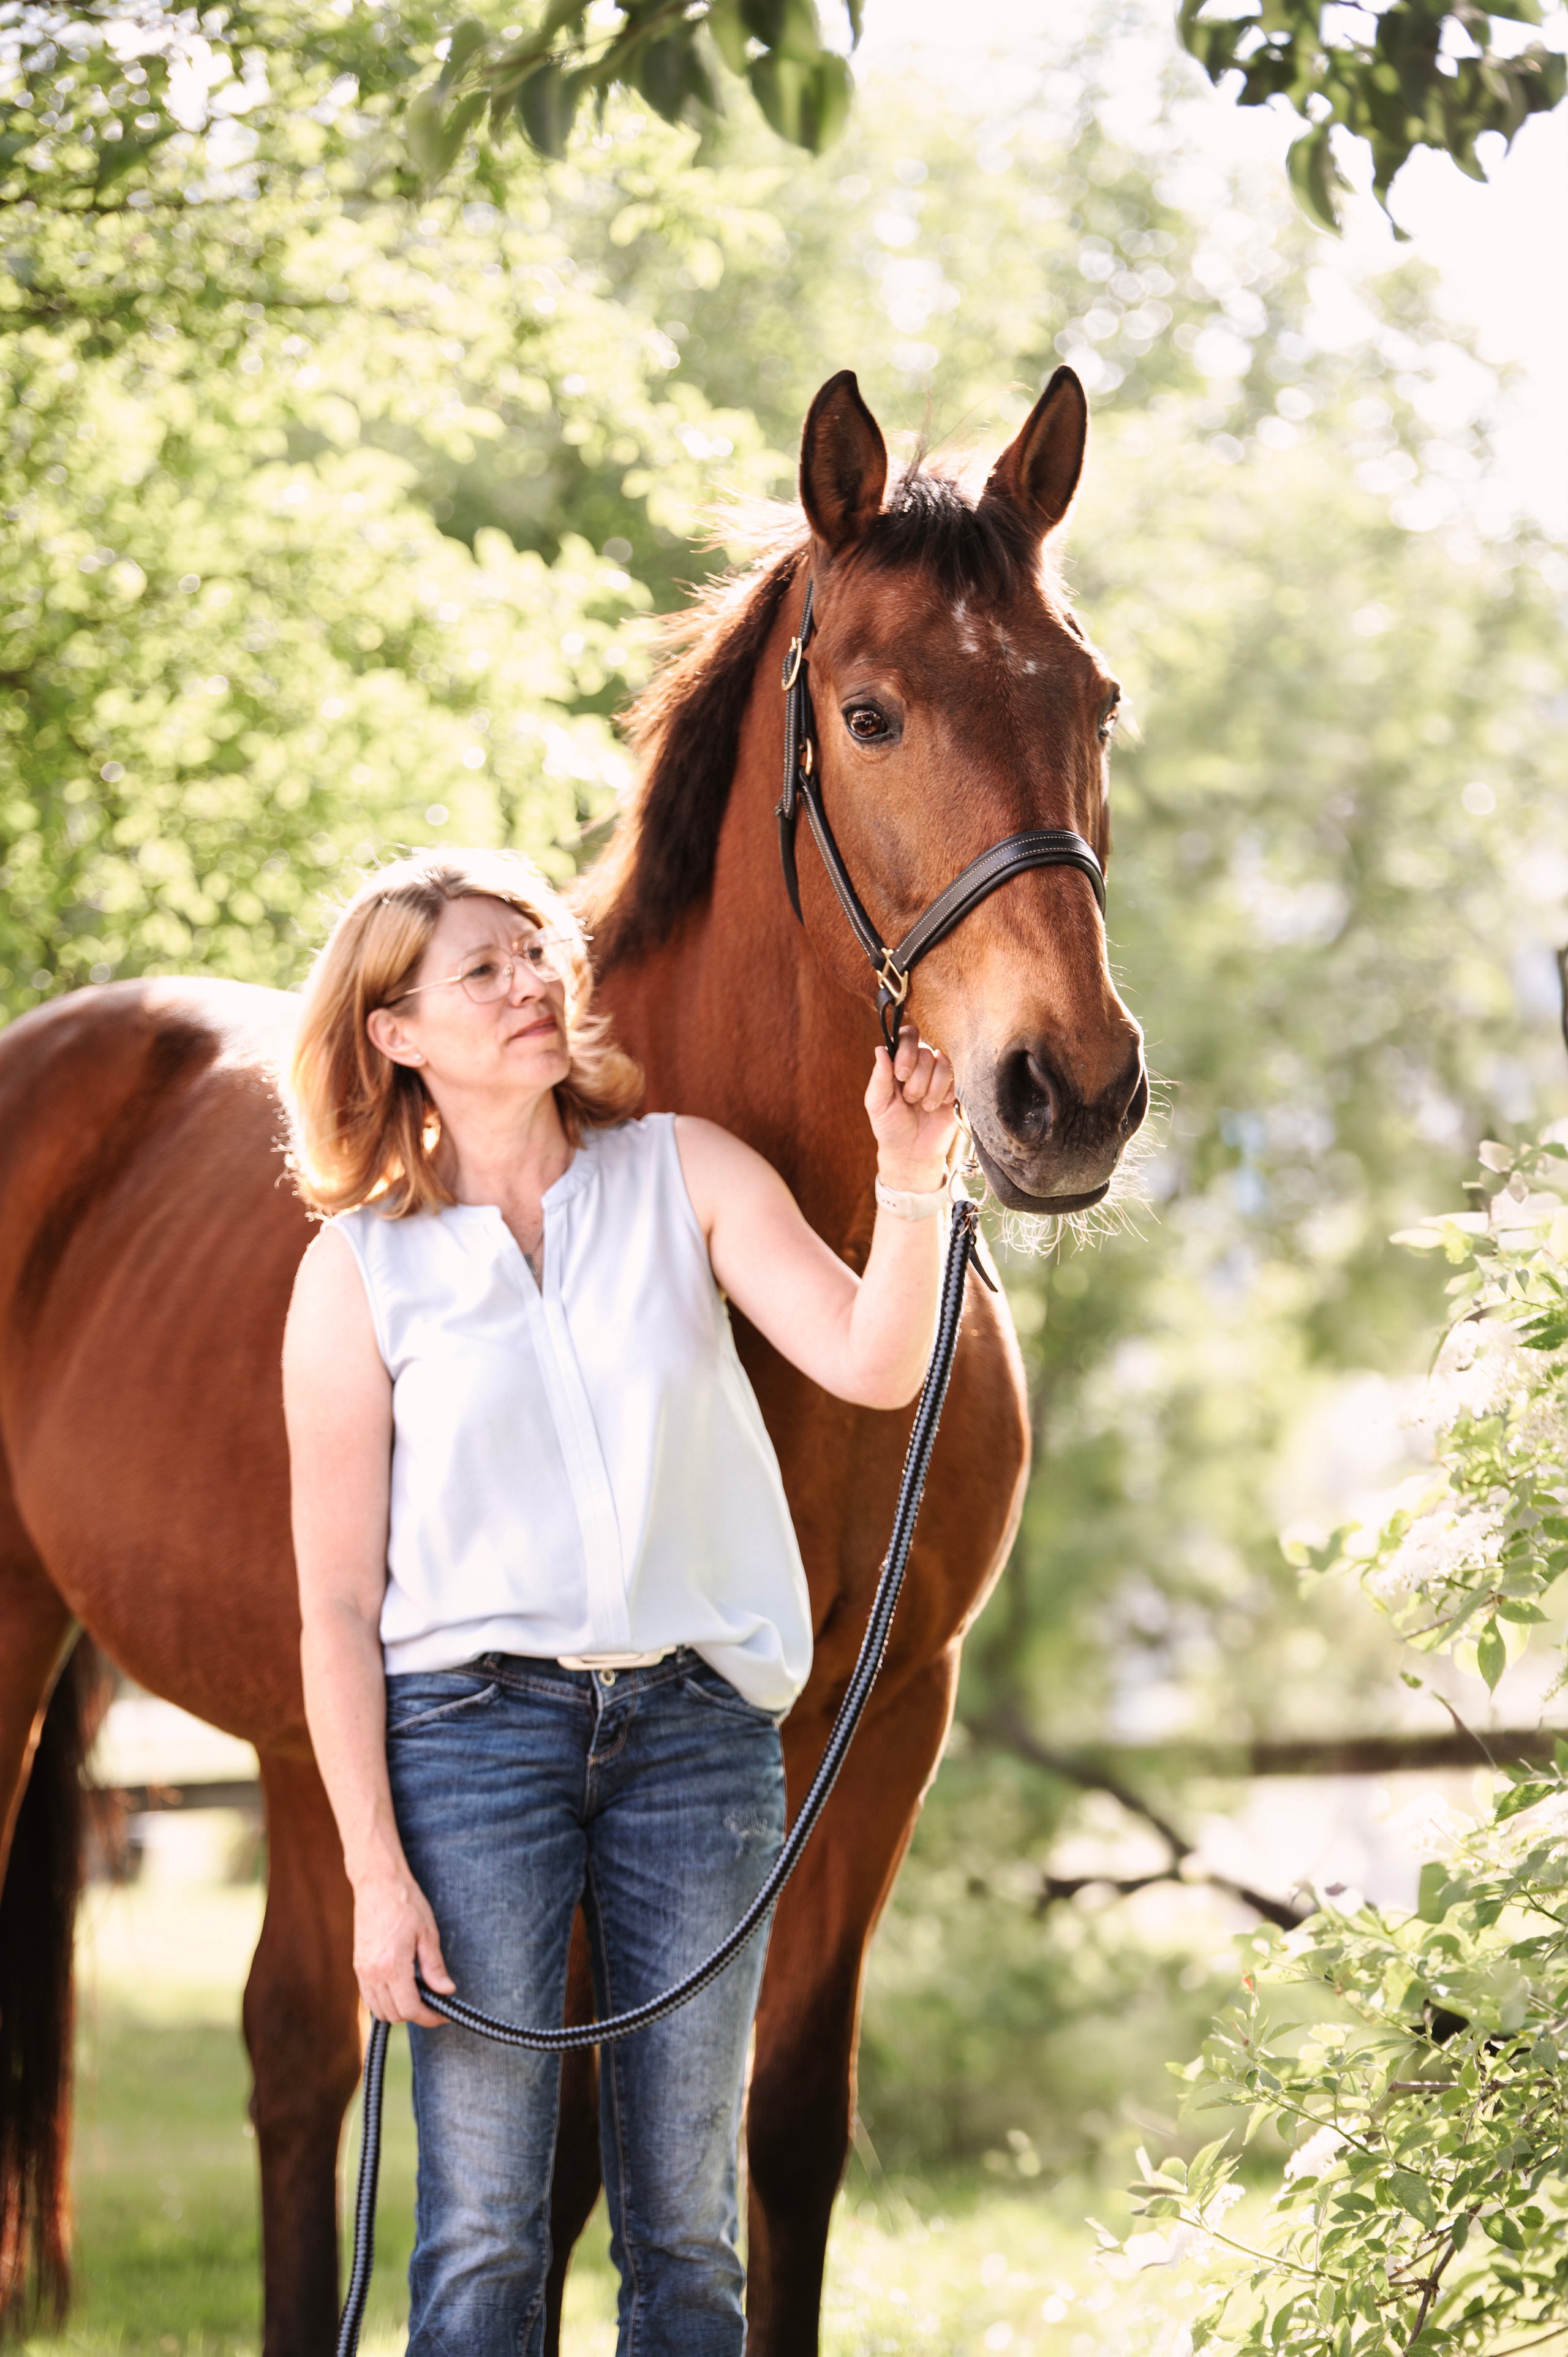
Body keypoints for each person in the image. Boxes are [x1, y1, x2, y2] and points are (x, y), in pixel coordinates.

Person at [281, 847, 959, 2357]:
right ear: (394, 1031)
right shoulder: (358, 1276)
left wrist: (911, 1179)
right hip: (467, 1746)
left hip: (694, 1739)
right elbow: (332, 1609)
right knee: (479, 2235)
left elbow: (871, 1359)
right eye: (482, 969)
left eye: (537, 952)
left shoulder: (682, 1171)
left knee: (687, 2230)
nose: (531, 982)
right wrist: (374, 1875)